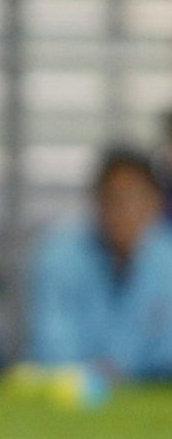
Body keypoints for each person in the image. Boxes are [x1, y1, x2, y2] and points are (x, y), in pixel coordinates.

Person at [26, 147, 172, 384]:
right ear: (97, 202)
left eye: (136, 198)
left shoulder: (167, 260)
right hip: (73, 391)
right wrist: (95, 373)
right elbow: (51, 346)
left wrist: (118, 370)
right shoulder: (59, 255)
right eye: (114, 198)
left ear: (155, 204)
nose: (125, 211)